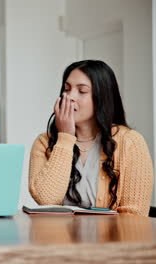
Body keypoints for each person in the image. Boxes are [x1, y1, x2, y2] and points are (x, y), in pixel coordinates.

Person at [29, 60, 153, 216]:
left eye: (82, 91)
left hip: (114, 240)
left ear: (102, 97)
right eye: (67, 89)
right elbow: (46, 200)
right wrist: (65, 137)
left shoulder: (130, 142)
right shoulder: (44, 142)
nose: (70, 97)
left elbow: (134, 218)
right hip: (60, 240)